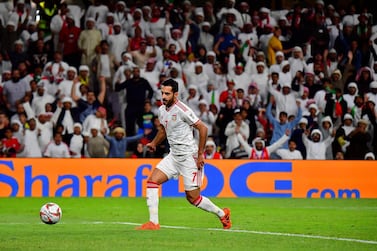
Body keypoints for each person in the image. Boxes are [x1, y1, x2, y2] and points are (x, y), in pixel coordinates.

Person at [137, 79, 231, 230]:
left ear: (175, 94)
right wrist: (154, 143)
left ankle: (222, 214)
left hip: (189, 158)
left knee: (193, 198)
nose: (164, 96)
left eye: (167, 94)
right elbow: (163, 130)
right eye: (162, 93)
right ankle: (153, 223)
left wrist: (200, 154)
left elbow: (203, 128)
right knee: (152, 182)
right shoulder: (162, 110)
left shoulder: (183, 110)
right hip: (174, 156)